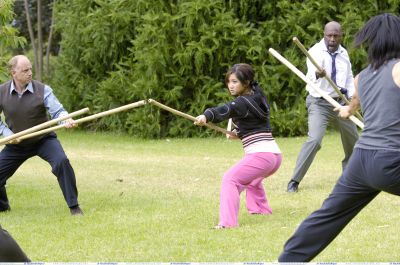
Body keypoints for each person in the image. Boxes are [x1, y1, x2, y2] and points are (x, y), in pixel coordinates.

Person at [278, 13, 400, 261]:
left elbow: (353, 105)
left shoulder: (362, 77)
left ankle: (289, 260)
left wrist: (346, 110)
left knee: (329, 215)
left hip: (361, 162)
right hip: (392, 160)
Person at [194, 63, 282, 228]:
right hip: (275, 156)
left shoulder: (241, 102)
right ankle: (260, 209)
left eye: (235, 82)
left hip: (261, 155)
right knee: (253, 180)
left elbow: (224, 110)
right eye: (229, 82)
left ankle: (228, 223)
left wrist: (206, 116)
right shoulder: (258, 96)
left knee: (230, 179)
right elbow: (256, 124)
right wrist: (241, 133)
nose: (230, 86)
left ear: (246, 82)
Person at [0, 55, 83, 216]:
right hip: (17, 144)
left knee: (62, 162)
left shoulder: (42, 89)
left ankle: (74, 207)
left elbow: (57, 111)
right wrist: (7, 134)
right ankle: (2, 206)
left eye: (30, 69)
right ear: (13, 73)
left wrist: (66, 120)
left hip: (43, 140)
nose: (30, 73)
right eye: (25, 70)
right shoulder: (1, 92)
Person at [287, 21, 359, 193]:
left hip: (341, 103)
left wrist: (351, 99)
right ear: (324, 34)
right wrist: (318, 75)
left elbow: (349, 78)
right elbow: (309, 77)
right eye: (329, 35)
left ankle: (348, 177)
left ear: (342, 36)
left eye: (336, 36)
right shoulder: (314, 52)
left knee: (354, 141)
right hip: (319, 102)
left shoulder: (344, 54)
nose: (332, 39)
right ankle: (294, 181)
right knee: (315, 140)